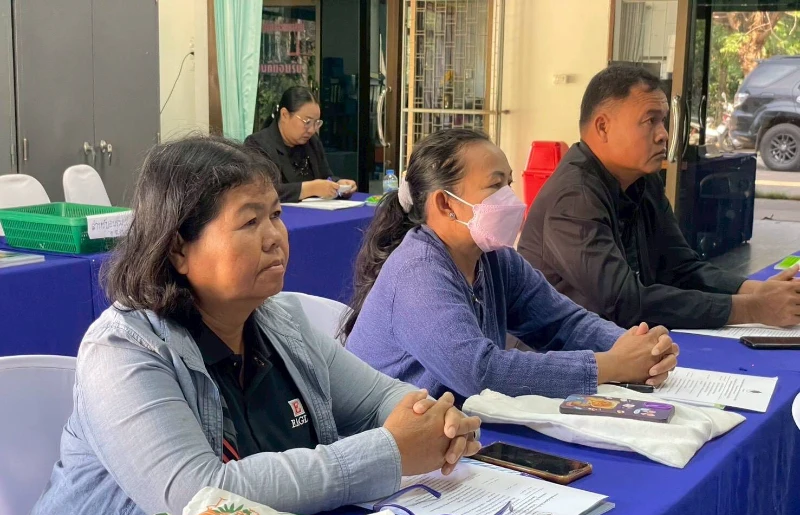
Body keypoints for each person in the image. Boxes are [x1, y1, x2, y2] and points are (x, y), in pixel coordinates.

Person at [3, 137, 480, 515]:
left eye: (275, 215)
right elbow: (199, 498)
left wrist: (435, 422)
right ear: (178, 249)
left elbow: (381, 398)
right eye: (250, 221)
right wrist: (387, 451)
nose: (275, 237)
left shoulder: (279, 321)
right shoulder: (124, 350)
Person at [341, 128, 679, 404]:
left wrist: (636, 346)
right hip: (392, 444)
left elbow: (562, 322)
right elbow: (480, 373)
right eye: (495, 185)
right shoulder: (417, 272)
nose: (510, 199)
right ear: (445, 204)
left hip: (455, 431)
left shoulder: (493, 258)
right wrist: (609, 365)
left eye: (509, 183)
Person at [518, 64, 800, 330]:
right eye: (650, 121)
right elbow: (624, 302)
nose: (663, 134)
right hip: (559, 354)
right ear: (603, 127)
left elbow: (681, 268)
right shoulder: (574, 197)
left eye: (663, 121)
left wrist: (757, 291)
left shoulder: (642, 181)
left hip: (622, 343)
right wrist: (753, 309)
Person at [245, 86, 357, 203]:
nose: (312, 130)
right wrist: (310, 189)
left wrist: (339, 184)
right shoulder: (257, 144)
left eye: (316, 123)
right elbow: (261, 191)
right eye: (307, 122)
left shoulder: (312, 142)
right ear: (284, 115)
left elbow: (326, 176)